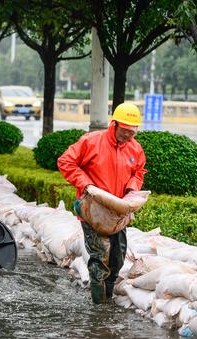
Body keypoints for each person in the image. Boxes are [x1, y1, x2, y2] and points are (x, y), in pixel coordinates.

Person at [58, 102, 147, 304]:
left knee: (117, 259)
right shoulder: (91, 142)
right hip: (93, 209)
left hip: (117, 211)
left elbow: (139, 172)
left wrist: (132, 189)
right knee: (100, 258)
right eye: (124, 130)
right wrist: (87, 185)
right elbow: (65, 161)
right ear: (114, 124)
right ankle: (100, 307)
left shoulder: (135, 148)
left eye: (132, 132)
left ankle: (108, 295)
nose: (128, 136)